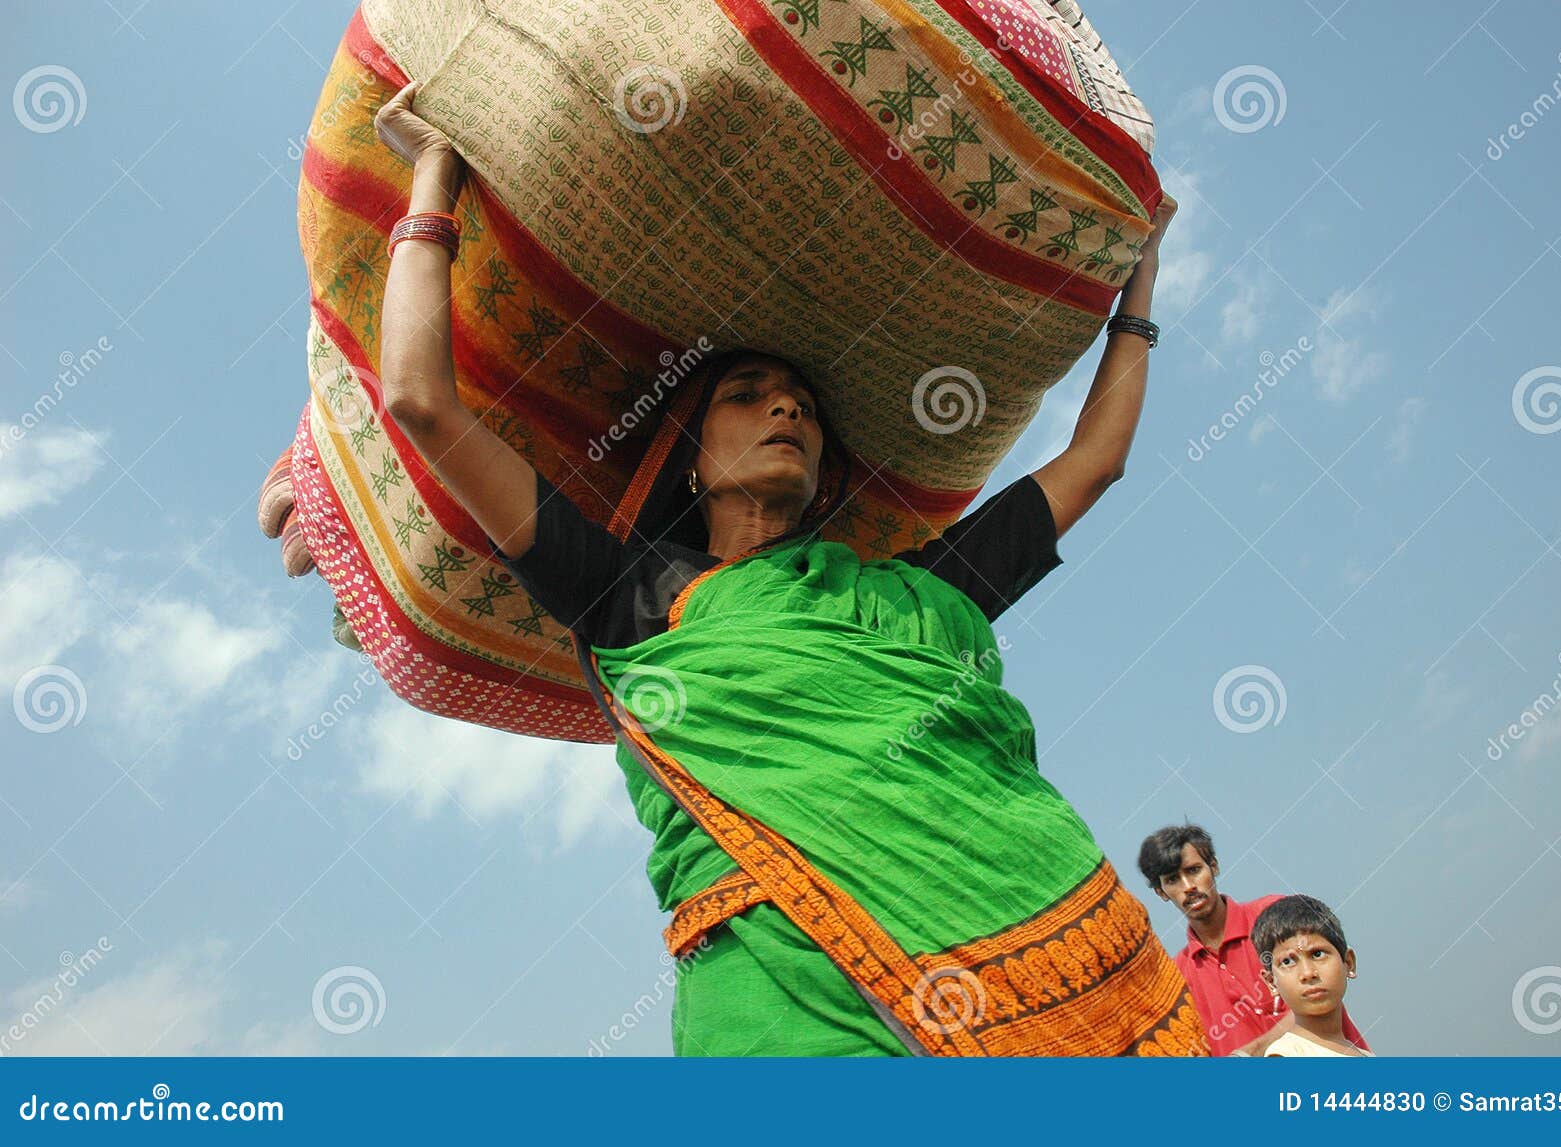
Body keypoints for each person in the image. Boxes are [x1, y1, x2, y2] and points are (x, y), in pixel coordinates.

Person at [373, 81, 1199, 1056]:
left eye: (802, 406)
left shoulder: (917, 592)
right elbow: (421, 400)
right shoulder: (633, 599)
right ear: (688, 455)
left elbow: (1095, 459)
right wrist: (437, 169)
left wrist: (1141, 276)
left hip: (1072, 961)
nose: (786, 410)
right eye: (749, 394)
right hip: (782, 1005)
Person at [1137, 823, 1371, 1056]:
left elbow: (1321, 999)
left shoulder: (1278, 918)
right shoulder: (1178, 979)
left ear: (1214, 866)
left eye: (1193, 870)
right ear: (1161, 892)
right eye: (1173, 880)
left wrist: (1253, 1052)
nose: (1188, 886)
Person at [1251, 895, 1374, 1057]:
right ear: (1272, 982)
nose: (1308, 973)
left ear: (1348, 962)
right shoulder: (1285, 1054)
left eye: (1317, 954)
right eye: (1287, 962)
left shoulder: (1365, 1055)